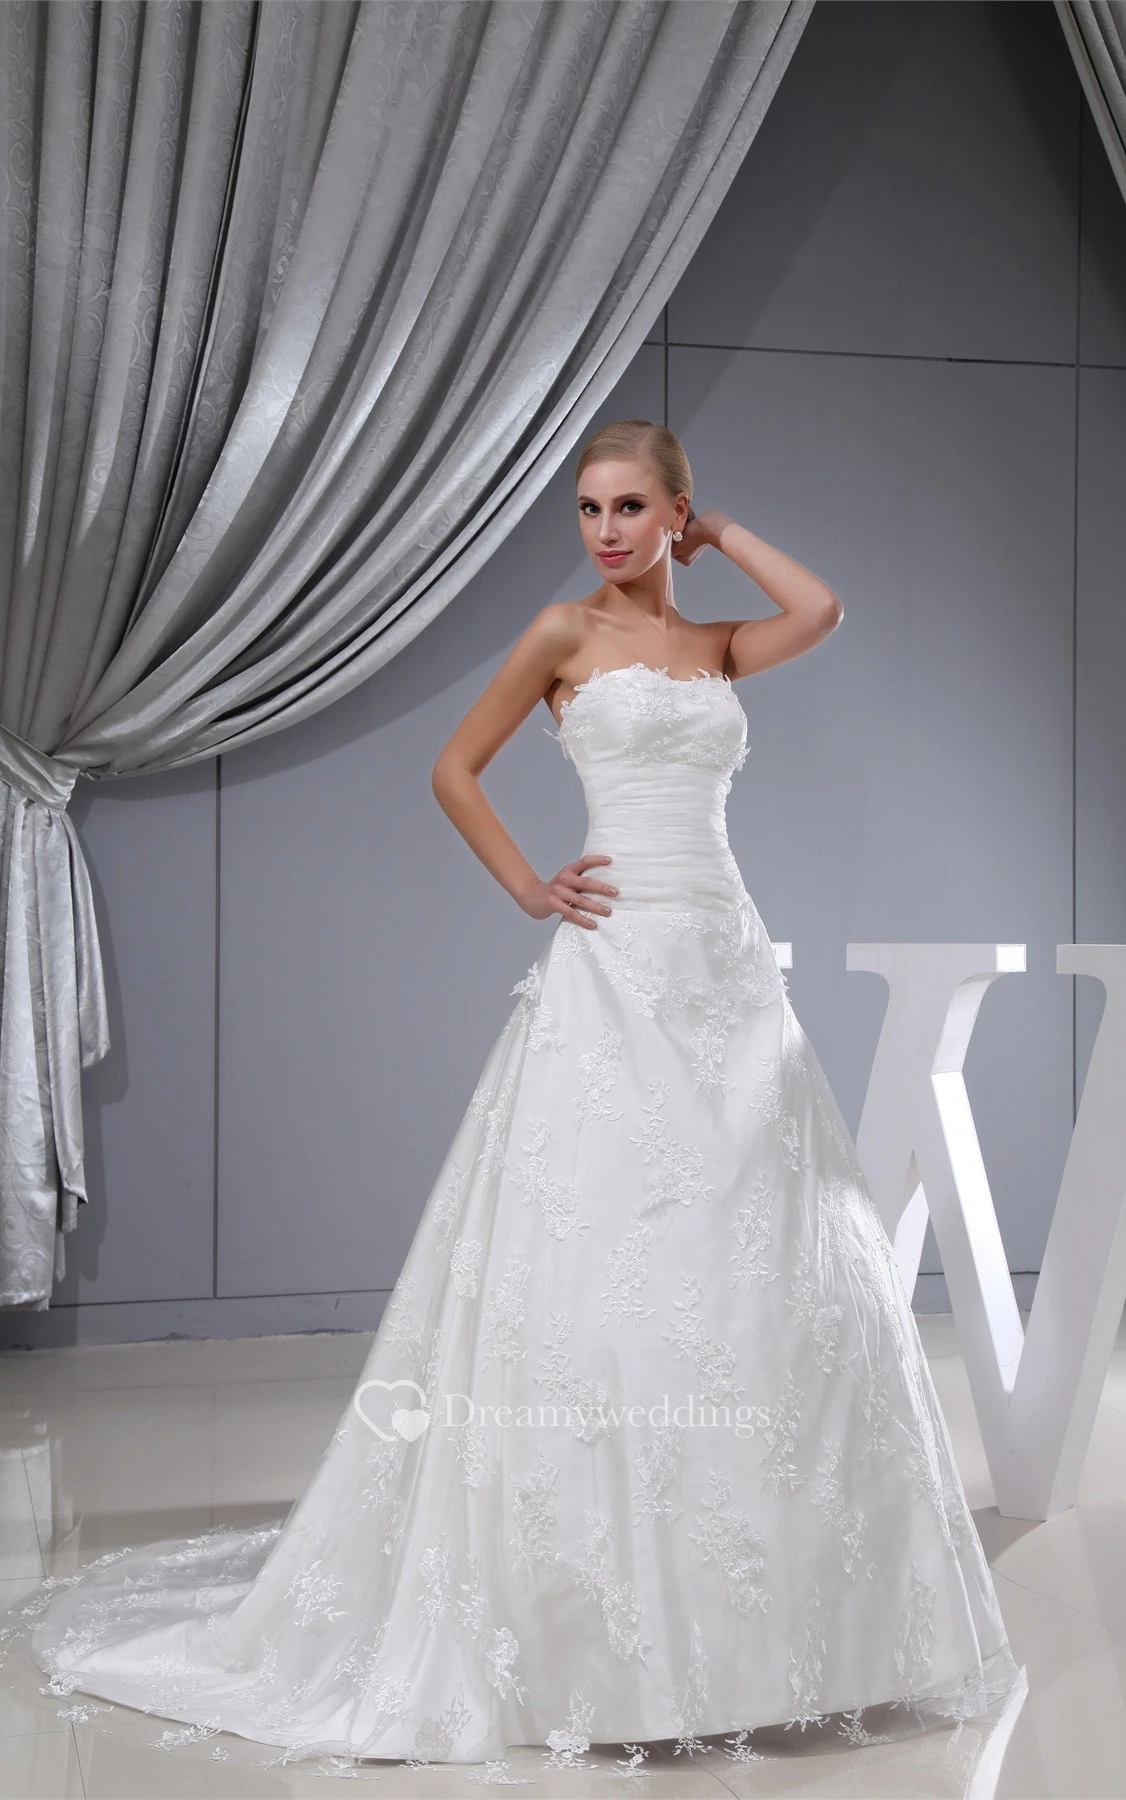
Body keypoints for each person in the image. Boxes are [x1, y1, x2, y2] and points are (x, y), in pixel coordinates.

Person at [0, 419, 1021, 1770]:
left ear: (675, 513)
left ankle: (767, 1623)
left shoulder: (719, 644)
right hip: (614, 959)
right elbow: (453, 769)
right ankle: (597, 1622)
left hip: (723, 962)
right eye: (588, 509)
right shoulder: (560, 635)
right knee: (605, 1250)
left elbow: (821, 609)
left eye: (630, 507)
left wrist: (723, 537)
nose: (604, 532)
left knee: (757, 1251)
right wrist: (532, 886)